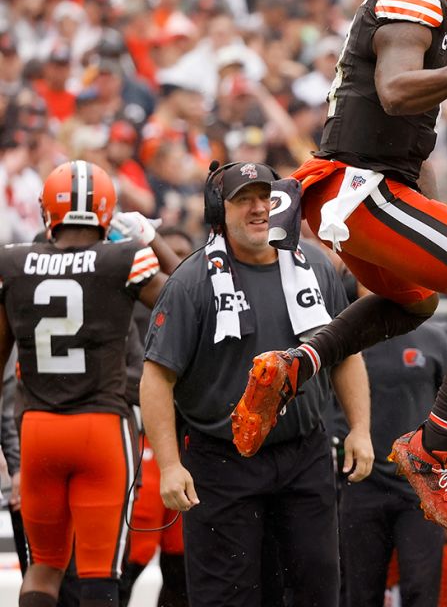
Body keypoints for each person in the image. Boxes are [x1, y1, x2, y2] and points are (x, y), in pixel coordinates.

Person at [228, 0, 447, 540]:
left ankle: (298, 365)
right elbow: (395, 90)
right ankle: (436, 444)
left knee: (416, 303)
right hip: (363, 191)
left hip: (351, 190)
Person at [140, 161, 374, 607]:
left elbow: (345, 355)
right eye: (244, 199)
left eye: (265, 197)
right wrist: (170, 466)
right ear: (219, 210)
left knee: (315, 588)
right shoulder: (192, 282)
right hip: (221, 459)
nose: (258, 208)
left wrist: (360, 428)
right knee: (229, 597)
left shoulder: (317, 268)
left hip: (303, 452)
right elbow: (157, 377)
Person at [0, 160, 177, 607]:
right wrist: (150, 240)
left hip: (38, 428)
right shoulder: (123, 257)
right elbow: (185, 296)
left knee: (43, 568)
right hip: (101, 426)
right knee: (100, 572)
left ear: (47, 212)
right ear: (106, 211)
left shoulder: (12, 260)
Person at [336, 297, 447, 607]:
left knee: (421, 591)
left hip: (421, 488)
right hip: (362, 483)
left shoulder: (435, 338)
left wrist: (446, 459)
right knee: (360, 594)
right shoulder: (347, 339)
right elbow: (328, 404)